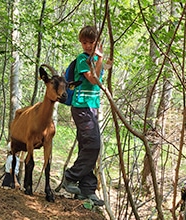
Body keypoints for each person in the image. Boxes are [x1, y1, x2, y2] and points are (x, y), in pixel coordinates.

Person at [62, 25, 104, 206]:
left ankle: (87, 190)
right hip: (81, 108)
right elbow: (94, 79)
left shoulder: (95, 58)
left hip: (92, 108)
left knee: (87, 147)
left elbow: (102, 74)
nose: (87, 46)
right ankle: (70, 177)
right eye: (84, 42)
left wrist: (100, 58)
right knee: (93, 145)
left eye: (91, 42)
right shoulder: (82, 60)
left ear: (97, 42)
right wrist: (100, 58)